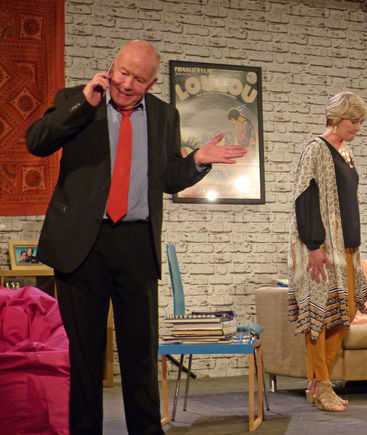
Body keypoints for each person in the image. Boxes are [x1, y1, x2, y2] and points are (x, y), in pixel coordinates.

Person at [25, 40, 246, 434]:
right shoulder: (76, 100)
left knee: (140, 353)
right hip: (82, 245)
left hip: (136, 245)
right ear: (112, 67)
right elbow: (37, 142)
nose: (127, 84)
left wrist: (197, 161)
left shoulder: (164, 115)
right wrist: (83, 105)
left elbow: (167, 179)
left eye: (138, 79)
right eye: (123, 73)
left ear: (152, 83)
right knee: (84, 355)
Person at [287, 91, 367, 412]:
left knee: (345, 314)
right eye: (354, 121)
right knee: (318, 317)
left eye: (361, 122)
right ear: (337, 119)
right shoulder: (316, 149)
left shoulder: (346, 152)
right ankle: (322, 386)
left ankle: (316, 382)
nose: (358, 128)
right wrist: (314, 246)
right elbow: (305, 198)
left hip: (346, 246)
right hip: (320, 246)